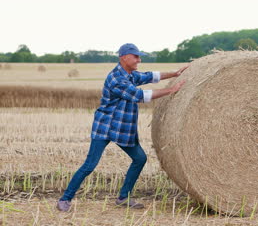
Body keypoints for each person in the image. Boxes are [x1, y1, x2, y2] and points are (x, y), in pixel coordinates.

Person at [57, 43, 188, 212]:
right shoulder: (116, 79)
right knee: (90, 165)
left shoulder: (130, 75)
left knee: (140, 159)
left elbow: (150, 76)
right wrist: (171, 90)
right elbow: (139, 95)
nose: (139, 60)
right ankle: (65, 199)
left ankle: (123, 197)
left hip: (123, 129)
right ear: (124, 57)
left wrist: (175, 73)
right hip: (105, 127)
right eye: (136, 57)